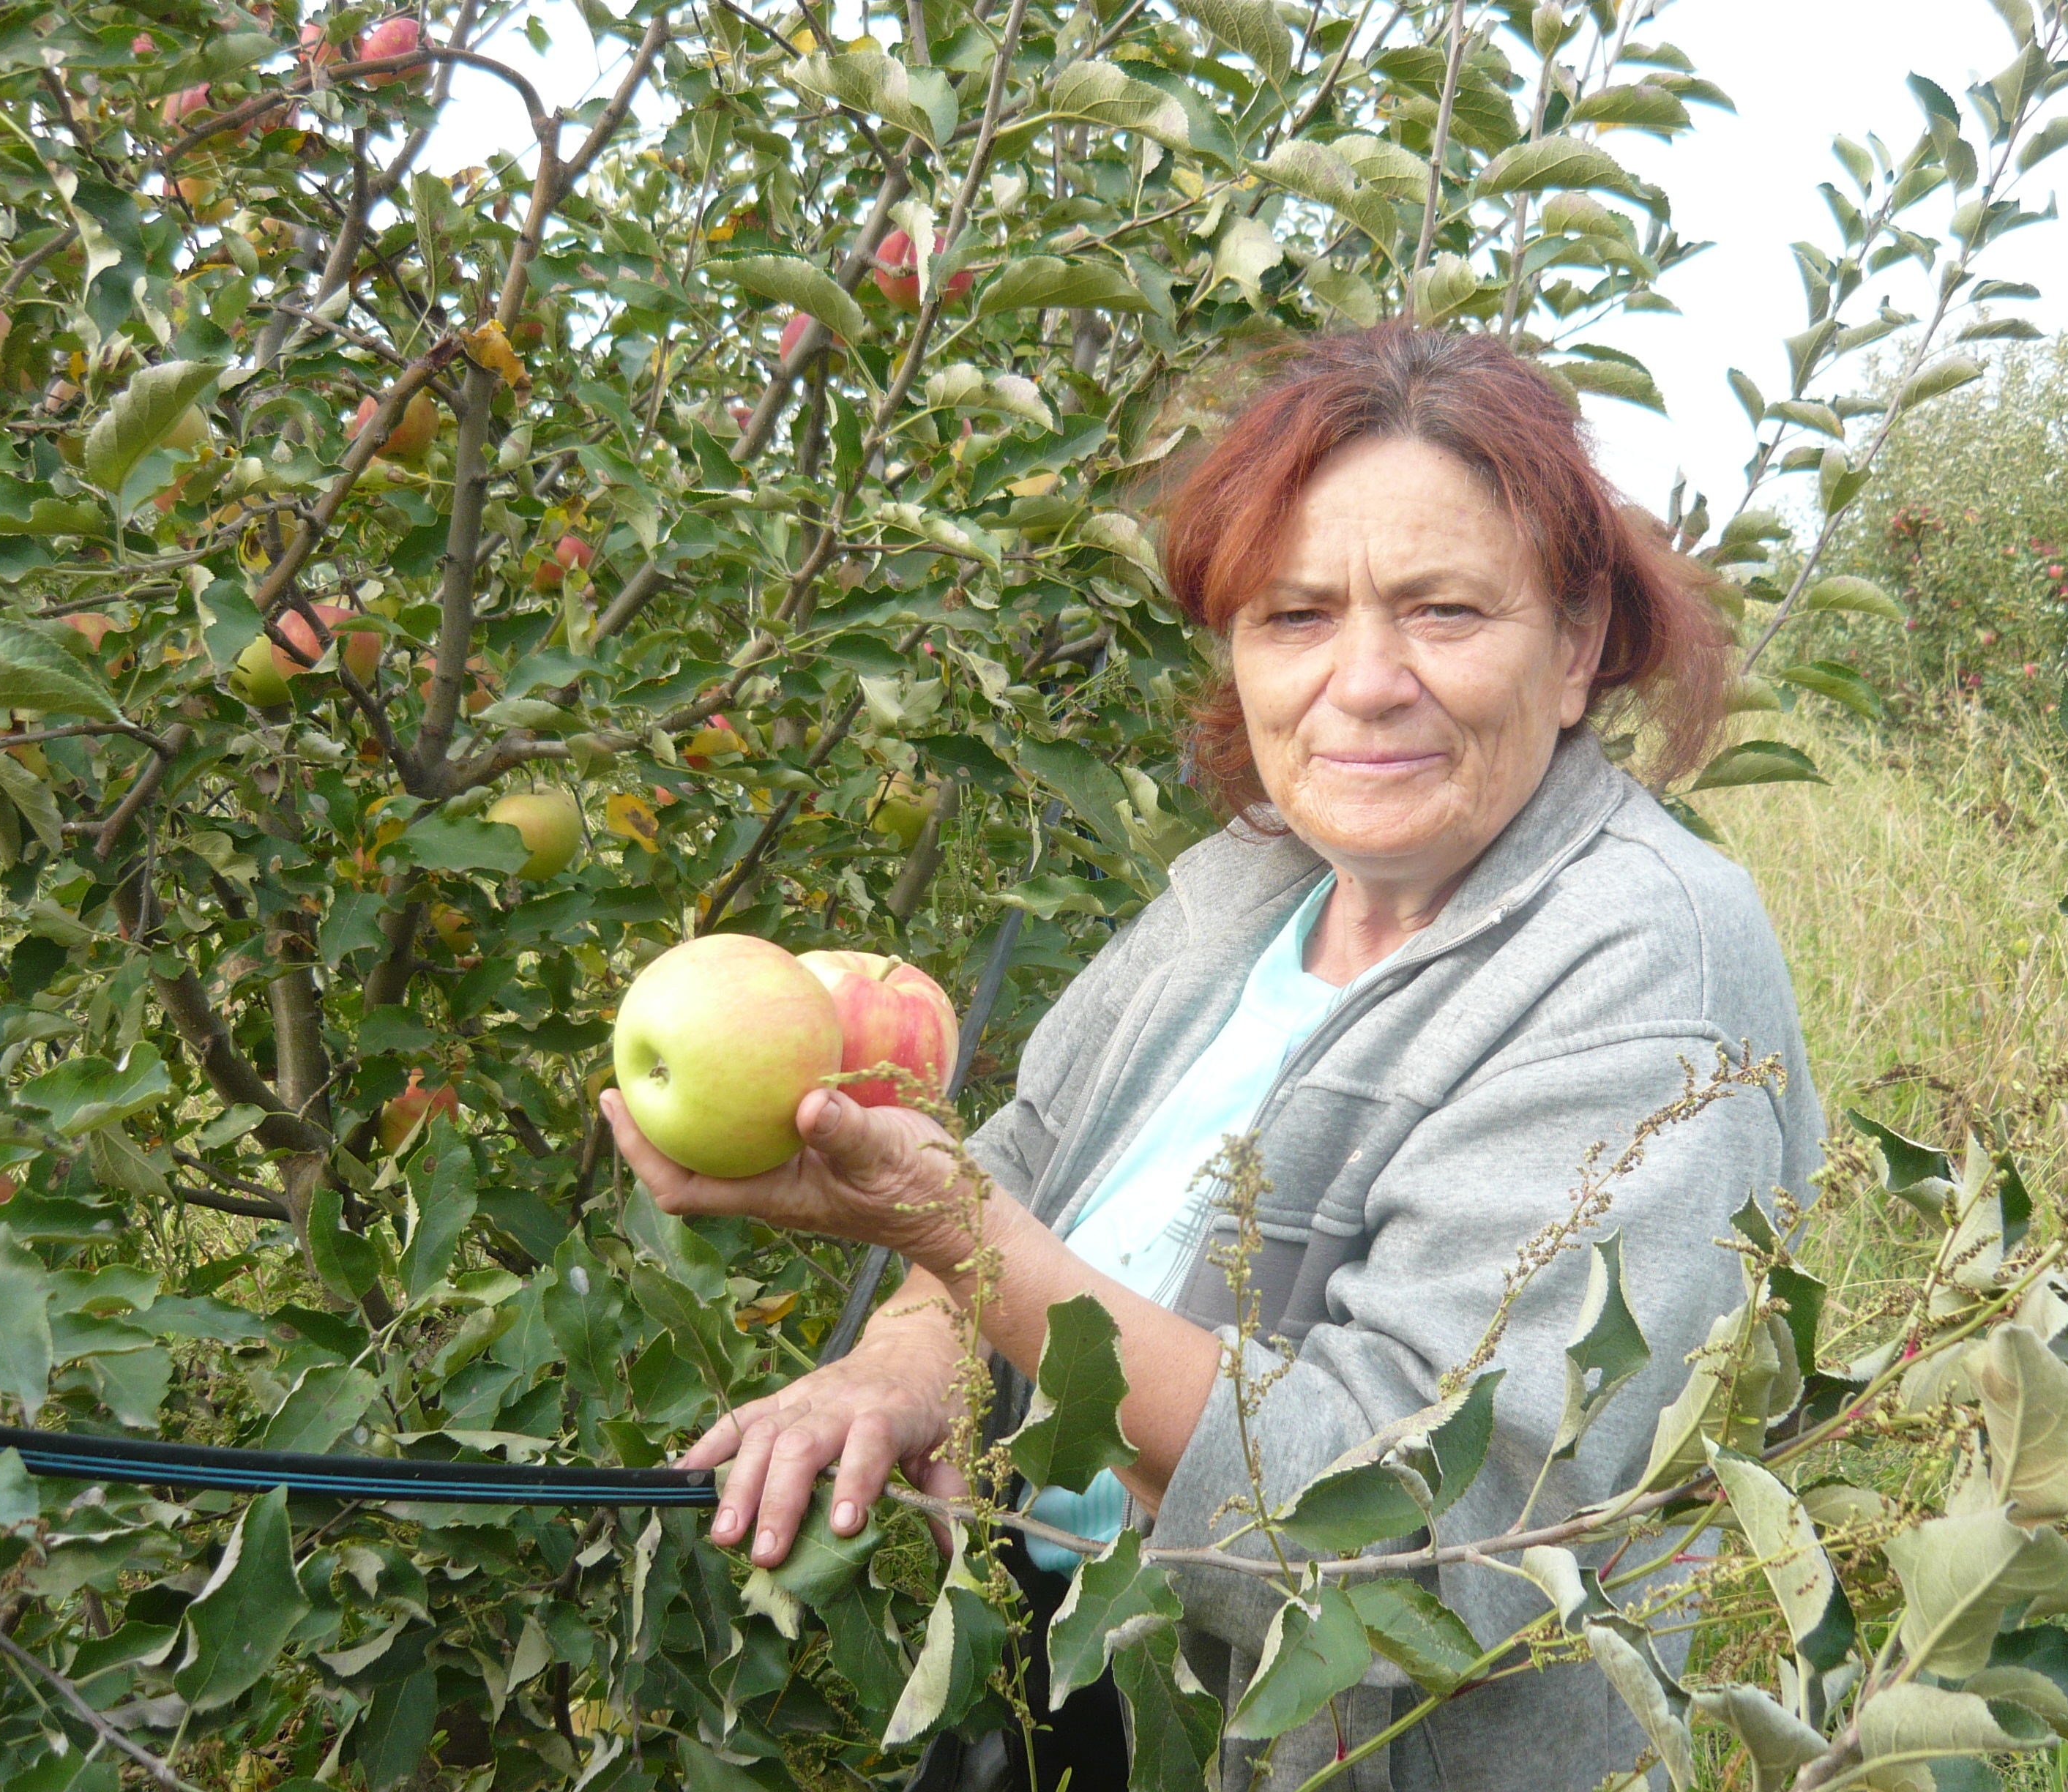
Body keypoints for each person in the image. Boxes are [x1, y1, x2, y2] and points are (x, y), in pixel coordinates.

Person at [601, 324, 1824, 1792]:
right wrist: (903, 1360)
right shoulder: (1253, 882)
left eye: (1442, 612)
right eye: (1296, 616)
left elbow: (1427, 1532)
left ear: (1574, 651)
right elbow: (1028, 1168)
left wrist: (952, 1240)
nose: (1363, 683)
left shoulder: (1646, 967)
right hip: (1065, 1671)